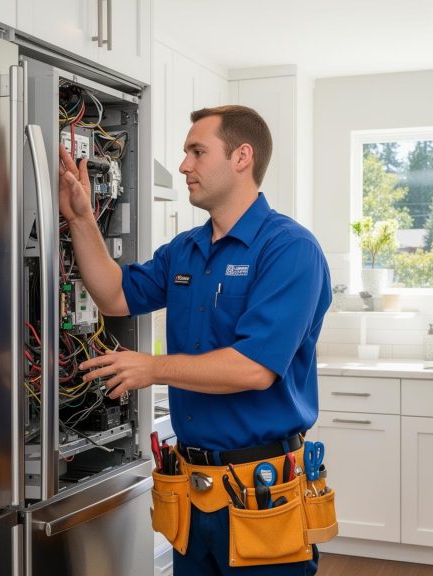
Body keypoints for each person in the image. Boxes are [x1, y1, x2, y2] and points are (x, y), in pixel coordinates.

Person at [58, 105, 331, 575]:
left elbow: (254, 367)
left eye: (197, 152)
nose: (184, 165)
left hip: (261, 495)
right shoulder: (185, 250)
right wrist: (81, 218)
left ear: (242, 157)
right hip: (191, 490)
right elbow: (114, 295)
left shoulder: (290, 249)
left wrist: (153, 367)